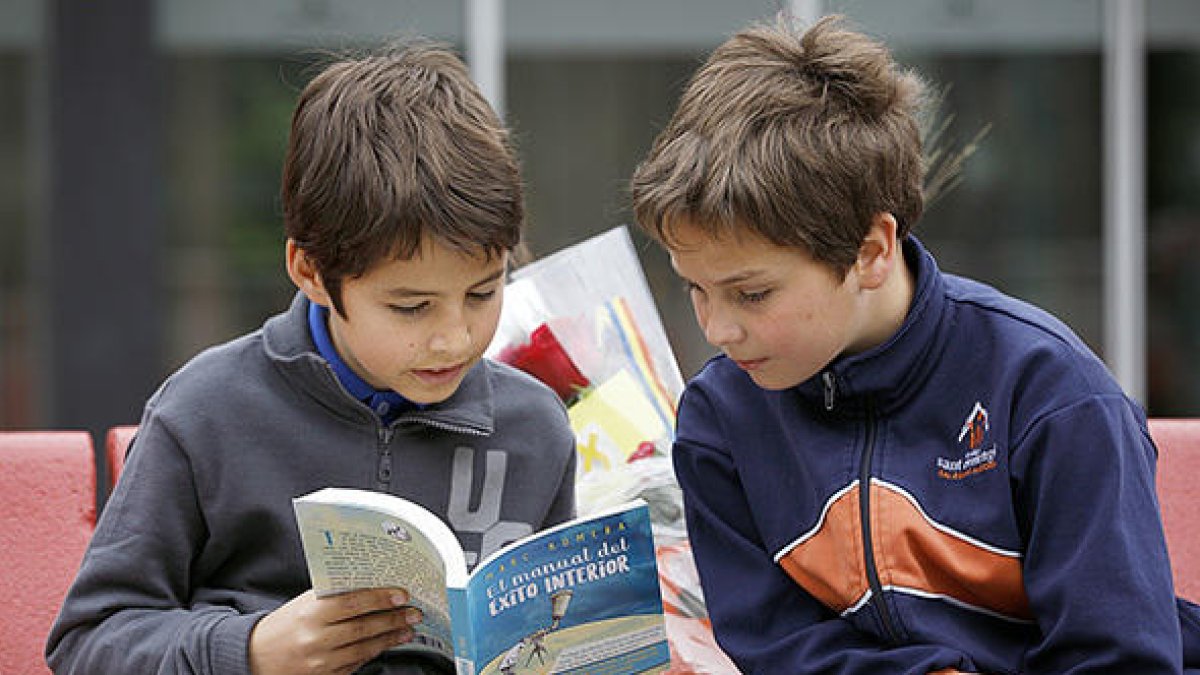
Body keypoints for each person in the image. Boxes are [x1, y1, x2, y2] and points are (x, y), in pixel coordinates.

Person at [631, 13, 1200, 675]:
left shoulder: (1049, 394)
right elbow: (778, 652)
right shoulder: (720, 420)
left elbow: (1118, 656)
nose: (716, 329)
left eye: (751, 293)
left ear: (871, 251)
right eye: (694, 289)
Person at [46, 40, 576, 675]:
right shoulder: (207, 413)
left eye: (484, 292)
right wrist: (250, 650)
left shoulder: (534, 430)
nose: (455, 337)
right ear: (311, 271)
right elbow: (87, 641)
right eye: (411, 307)